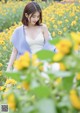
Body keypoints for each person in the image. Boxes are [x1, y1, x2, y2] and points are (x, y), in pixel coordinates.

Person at [6, 1, 56, 72]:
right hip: (27, 63)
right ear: (26, 15)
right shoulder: (19, 31)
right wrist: (8, 68)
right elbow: (14, 52)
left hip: (42, 62)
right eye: (33, 16)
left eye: (38, 16)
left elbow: (50, 46)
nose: (36, 19)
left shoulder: (43, 28)